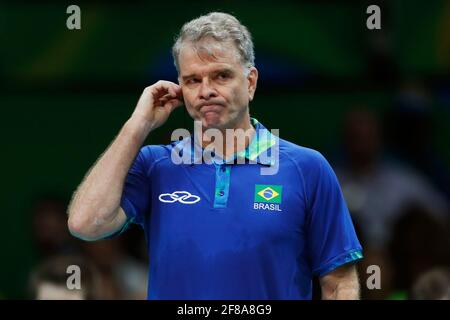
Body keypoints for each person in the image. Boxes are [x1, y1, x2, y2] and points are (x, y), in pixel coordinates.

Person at [68, 12, 363, 300]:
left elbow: (338, 283)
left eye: (221, 75)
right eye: (193, 80)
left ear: (250, 82)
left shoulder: (307, 168)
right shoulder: (154, 165)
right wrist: (137, 125)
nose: (206, 91)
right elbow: (85, 223)